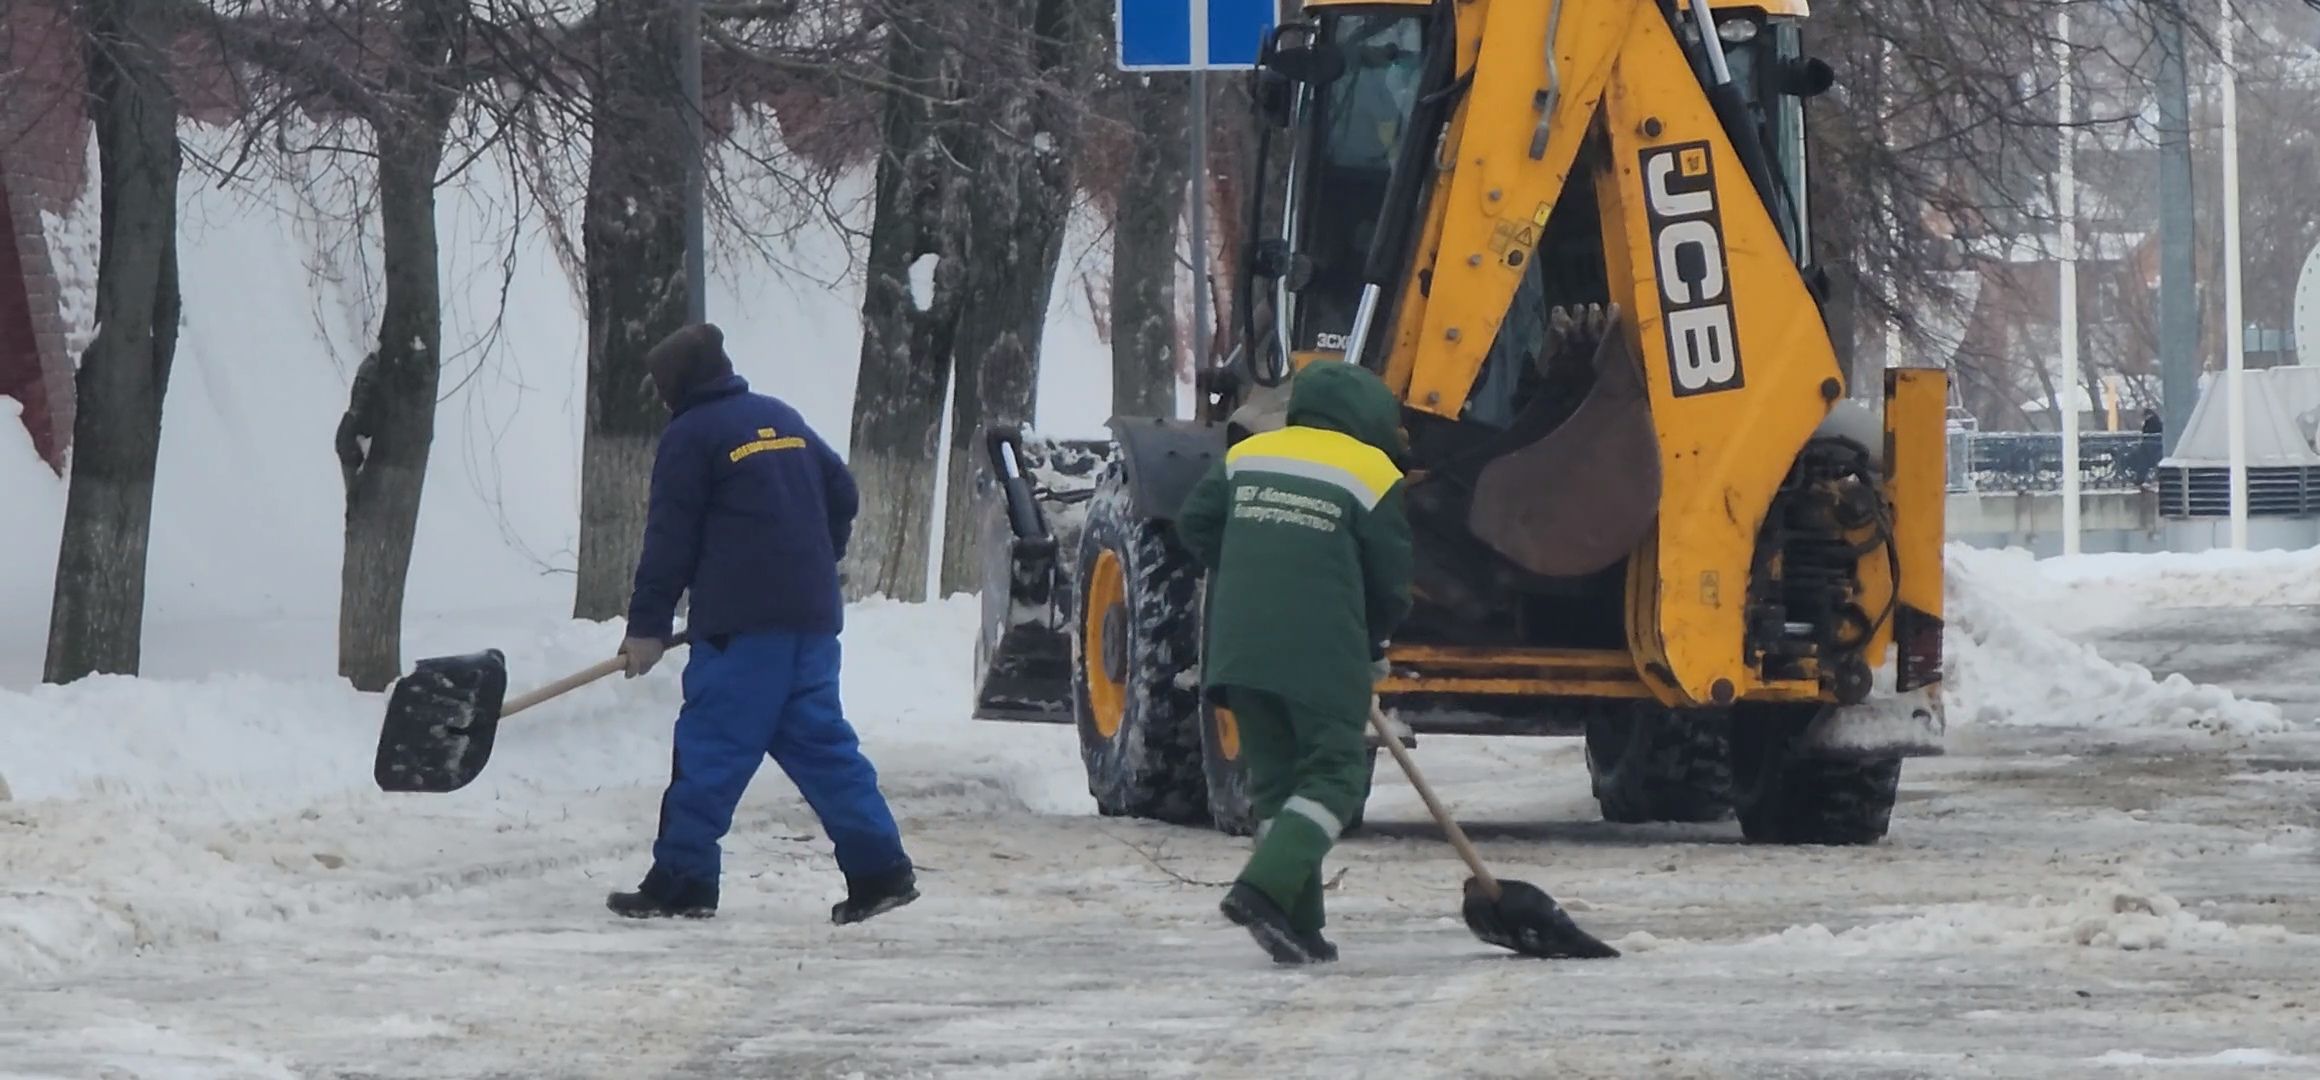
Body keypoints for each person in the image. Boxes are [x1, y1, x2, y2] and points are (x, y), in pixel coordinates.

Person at [606, 323, 919, 926]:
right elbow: (843, 493)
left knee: (711, 751)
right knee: (824, 748)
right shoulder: (779, 417)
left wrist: (647, 625)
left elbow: (669, 540)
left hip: (744, 632)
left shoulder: (690, 436)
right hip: (811, 621)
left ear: (675, 385)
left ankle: (683, 880)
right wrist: (813, 559)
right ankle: (881, 871)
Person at [1173, 359, 1415, 965]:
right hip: (1321, 650)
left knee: (1279, 785)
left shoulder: (1250, 454)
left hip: (1238, 649)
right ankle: (1261, 890)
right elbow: (1390, 583)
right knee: (1334, 779)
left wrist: (1257, 562)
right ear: (1370, 419)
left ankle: (1297, 923)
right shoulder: (1371, 471)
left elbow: (1195, 524)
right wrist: (1373, 643)